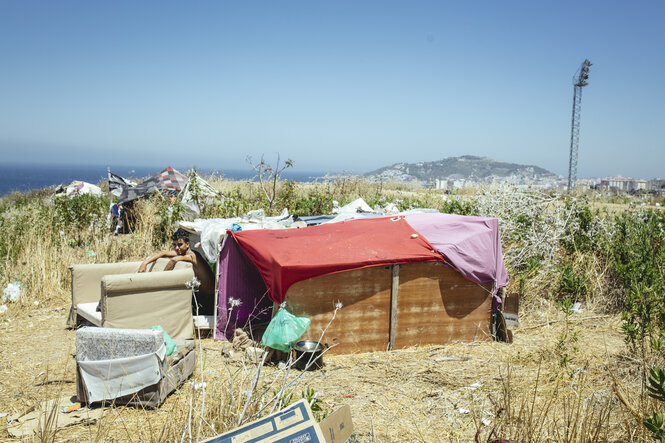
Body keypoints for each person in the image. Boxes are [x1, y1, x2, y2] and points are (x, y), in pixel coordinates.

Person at [139, 228, 215, 314]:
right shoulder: (182, 252)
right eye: (174, 245)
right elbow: (163, 253)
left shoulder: (192, 255)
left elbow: (174, 260)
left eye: (179, 244)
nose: (177, 248)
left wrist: (161, 281)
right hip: (200, 294)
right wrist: (144, 263)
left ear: (187, 244)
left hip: (210, 296)